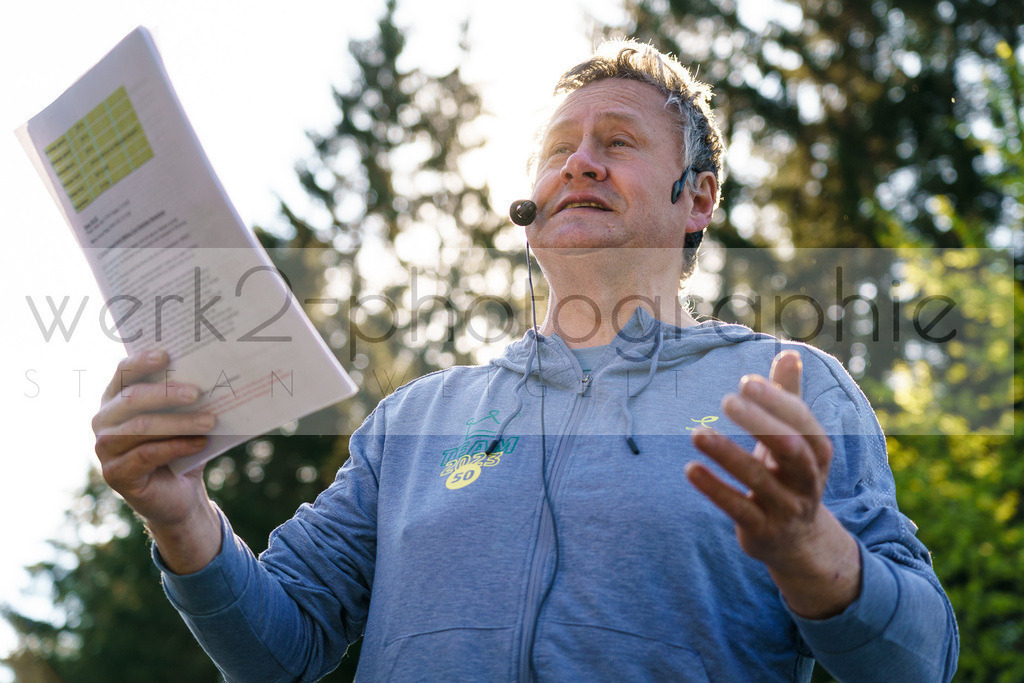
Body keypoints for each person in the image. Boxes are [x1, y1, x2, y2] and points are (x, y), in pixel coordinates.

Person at [92, 40, 958, 681]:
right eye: (557, 150)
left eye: (617, 142)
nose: (580, 161)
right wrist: (183, 517)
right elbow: (279, 646)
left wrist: (815, 550)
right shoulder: (414, 421)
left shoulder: (783, 388)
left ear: (697, 196)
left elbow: (922, 658)